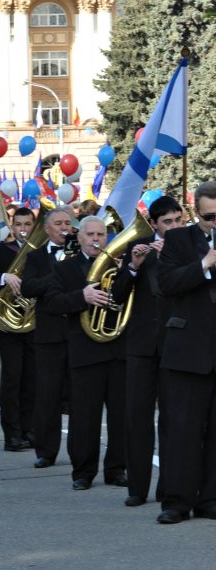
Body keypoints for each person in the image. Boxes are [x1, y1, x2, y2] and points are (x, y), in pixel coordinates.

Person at [45, 215, 127, 490]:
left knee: (120, 415)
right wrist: (83, 297)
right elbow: (53, 304)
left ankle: (116, 470)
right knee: (84, 416)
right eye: (90, 235)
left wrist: (129, 272)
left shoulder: (119, 265)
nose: (95, 240)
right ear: (79, 238)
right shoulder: (65, 269)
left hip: (117, 350)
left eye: (101, 235)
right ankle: (83, 471)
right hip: (84, 351)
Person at [111, 195, 182, 508]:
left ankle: (169, 488)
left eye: (178, 220)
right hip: (140, 345)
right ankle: (137, 488)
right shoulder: (137, 246)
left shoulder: (188, 248)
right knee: (137, 417)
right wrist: (135, 267)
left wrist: (173, 259)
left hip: (174, 345)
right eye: (167, 222)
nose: (174, 227)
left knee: (172, 419)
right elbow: (118, 294)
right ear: (153, 224)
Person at [155, 181, 216, 524]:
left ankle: (210, 499)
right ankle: (177, 502)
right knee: (182, 430)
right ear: (196, 213)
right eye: (209, 218)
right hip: (187, 351)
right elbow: (166, 285)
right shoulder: (178, 240)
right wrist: (204, 263)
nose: (215, 223)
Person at [0, 207, 36, 451]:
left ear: (34, 226)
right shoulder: (1, 250)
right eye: (19, 224)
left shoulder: (39, 251)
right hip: (10, 325)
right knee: (12, 380)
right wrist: (4, 277)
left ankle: (29, 430)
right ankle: (11, 435)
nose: (23, 228)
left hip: (33, 323)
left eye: (28, 224)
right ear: (12, 226)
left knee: (32, 381)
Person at [21, 207, 72, 468]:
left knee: (80, 398)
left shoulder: (84, 252)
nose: (64, 227)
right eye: (59, 223)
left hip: (79, 334)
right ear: (48, 229)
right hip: (49, 335)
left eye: (68, 222)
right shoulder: (36, 257)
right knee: (48, 396)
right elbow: (29, 287)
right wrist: (59, 275)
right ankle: (46, 451)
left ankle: (81, 453)